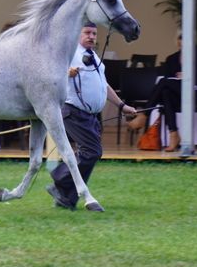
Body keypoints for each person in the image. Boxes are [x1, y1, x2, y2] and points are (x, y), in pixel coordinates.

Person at [46, 22, 136, 210]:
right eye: (87, 32)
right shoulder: (69, 53)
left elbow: (104, 85)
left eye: (94, 33)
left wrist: (122, 105)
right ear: (77, 34)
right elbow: (49, 75)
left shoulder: (95, 57)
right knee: (92, 151)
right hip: (72, 111)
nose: (91, 36)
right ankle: (59, 180)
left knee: (88, 154)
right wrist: (66, 73)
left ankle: (66, 199)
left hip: (91, 116)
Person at [148, 31, 197, 151]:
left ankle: (144, 114)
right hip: (177, 97)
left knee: (163, 82)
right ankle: (174, 134)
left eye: (186, 37)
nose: (183, 40)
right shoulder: (171, 59)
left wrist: (188, 77)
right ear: (177, 41)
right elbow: (168, 78)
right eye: (180, 38)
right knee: (165, 92)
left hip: (195, 95)